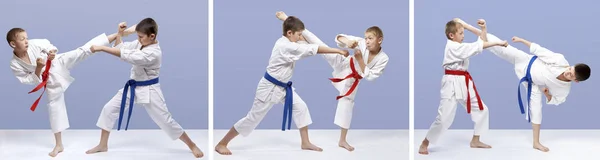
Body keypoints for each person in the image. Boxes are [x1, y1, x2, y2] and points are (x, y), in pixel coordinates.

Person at [214, 14, 349, 155]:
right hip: (269, 88)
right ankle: (222, 143)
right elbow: (313, 49)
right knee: (252, 119)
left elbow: (307, 41)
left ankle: (305, 142)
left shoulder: (289, 40)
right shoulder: (285, 46)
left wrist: (286, 19)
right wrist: (338, 50)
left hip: (283, 88)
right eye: (298, 34)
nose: (300, 37)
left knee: (301, 108)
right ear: (289, 33)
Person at [84, 18, 204, 158]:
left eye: (141, 37)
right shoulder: (140, 43)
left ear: (152, 36)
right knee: (109, 109)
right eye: (138, 36)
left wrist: (102, 48)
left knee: (166, 121)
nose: (138, 39)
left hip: (150, 89)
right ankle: (103, 145)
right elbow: (120, 48)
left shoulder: (154, 53)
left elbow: (127, 56)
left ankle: (192, 145)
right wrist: (119, 33)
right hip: (133, 86)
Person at [418, 18, 508, 155]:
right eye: (460, 33)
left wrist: (484, 29)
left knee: (482, 109)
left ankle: (476, 140)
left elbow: (480, 42)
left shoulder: (460, 46)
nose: (463, 35)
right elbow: (480, 46)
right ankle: (425, 142)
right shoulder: (452, 47)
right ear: (451, 35)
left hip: (464, 81)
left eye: (463, 32)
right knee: (444, 118)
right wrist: (498, 43)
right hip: (451, 82)